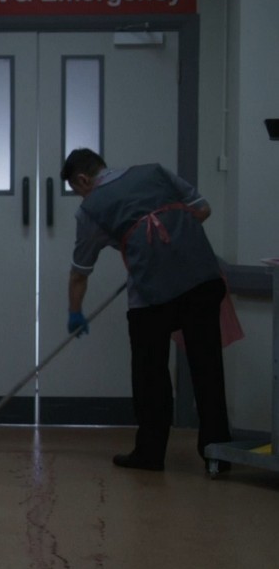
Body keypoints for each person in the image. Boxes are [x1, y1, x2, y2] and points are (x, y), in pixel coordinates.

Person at [61, 147, 234, 475]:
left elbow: (80, 273)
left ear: (83, 180)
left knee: (150, 374)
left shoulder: (90, 210)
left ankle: (150, 454)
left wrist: (75, 312)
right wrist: (168, 243)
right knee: (207, 368)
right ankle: (218, 455)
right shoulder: (155, 171)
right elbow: (203, 209)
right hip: (201, 279)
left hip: (151, 298)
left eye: (77, 190)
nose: (81, 197)